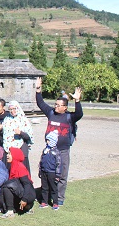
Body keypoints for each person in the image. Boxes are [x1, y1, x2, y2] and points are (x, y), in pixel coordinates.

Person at [36, 77, 83, 206]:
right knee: (47, 174)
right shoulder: (51, 113)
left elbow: (79, 114)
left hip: (63, 151)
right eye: (55, 104)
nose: (55, 106)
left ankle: (60, 197)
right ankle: (48, 196)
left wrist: (77, 100)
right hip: (49, 151)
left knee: (62, 175)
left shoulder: (69, 117)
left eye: (58, 105)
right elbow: (41, 103)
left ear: (65, 107)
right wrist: (38, 89)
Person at [0, 147, 36, 218]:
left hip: (28, 194)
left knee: (7, 187)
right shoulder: (12, 166)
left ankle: (10, 212)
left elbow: (27, 184)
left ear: (15, 156)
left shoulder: (20, 167)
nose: (7, 155)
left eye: (9, 154)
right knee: (8, 186)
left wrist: (25, 199)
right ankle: (24, 207)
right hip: (19, 191)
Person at [2, 100, 34, 174]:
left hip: (21, 148)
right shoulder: (7, 119)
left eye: (14, 109)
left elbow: (29, 137)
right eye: (10, 109)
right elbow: (5, 135)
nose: (12, 111)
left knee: (22, 171)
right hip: (9, 150)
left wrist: (21, 133)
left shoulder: (23, 120)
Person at [39, 130, 62, 210]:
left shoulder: (56, 152)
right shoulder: (45, 150)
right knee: (44, 187)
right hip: (44, 171)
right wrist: (40, 170)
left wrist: (58, 175)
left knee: (53, 188)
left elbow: (59, 164)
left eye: (48, 140)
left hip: (52, 172)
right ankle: (44, 201)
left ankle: (55, 203)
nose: (47, 141)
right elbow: (41, 160)